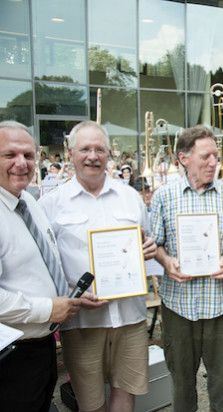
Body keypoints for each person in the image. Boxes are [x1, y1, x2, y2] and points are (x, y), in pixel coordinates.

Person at [39, 120, 156, 412]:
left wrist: (150, 249)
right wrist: (69, 293)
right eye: (85, 149)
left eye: (99, 149)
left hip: (129, 316)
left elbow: (144, 242)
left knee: (126, 391)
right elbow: (44, 267)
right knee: (91, 403)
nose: (93, 156)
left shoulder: (130, 197)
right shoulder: (50, 205)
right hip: (82, 321)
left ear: (108, 155)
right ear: (70, 153)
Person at [0, 121, 99, 412]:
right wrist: (48, 309)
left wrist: (69, 296)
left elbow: (39, 268)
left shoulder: (30, 202)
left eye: (29, 156)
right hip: (12, 355)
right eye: (10, 155)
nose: (22, 163)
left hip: (41, 348)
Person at [151, 125, 223, 412]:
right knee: (181, 380)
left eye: (215, 156)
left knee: (219, 380)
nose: (214, 162)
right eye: (205, 156)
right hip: (178, 305)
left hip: (220, 304)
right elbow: (155, 245)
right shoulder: (164, 197)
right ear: (183, 158)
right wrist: (167, 262)